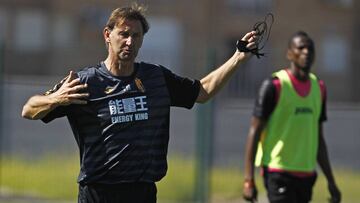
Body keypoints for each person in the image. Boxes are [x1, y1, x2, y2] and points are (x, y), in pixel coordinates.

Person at [22, 4, 258, 203]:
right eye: (123, 34)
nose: (129, 42)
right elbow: (29, 109)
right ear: (107, 35)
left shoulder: (155, 78)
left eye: (136, 36)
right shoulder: (85, 82)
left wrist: (237, 58)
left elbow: (202, 91)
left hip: (142, 191)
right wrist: (56, 98)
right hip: (98, 192)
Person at [242, 31, 341, 203]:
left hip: (306, 174)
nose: (306, 52)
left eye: (310, 48)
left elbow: (318, 138)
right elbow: (254, 131)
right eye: (300, 48)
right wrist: (248, 180)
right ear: (289, 53)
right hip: (277, 171)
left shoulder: (319, 89)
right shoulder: (274, 86)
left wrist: (331, 181)